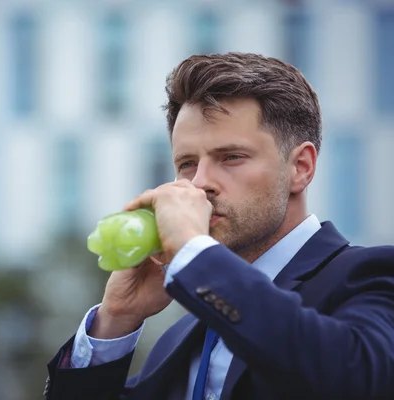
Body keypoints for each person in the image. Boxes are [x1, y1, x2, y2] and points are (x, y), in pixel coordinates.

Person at [43, 52, 394, 400]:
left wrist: (195, 257)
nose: (200, 183)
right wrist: (116, 321)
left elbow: (355, 375)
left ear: (301, 167)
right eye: (187, 163)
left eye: (231, 157)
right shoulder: (180, 339)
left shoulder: (370, 276)